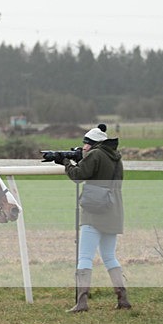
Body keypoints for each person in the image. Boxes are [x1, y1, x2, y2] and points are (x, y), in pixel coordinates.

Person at [57, 123, 131, 312]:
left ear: (93, 144)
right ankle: (123, 299)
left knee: (85, 258)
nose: (84, 147)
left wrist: (66, 162)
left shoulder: (95, 155)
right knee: (109, 257)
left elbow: (77, 175)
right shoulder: (116, 158)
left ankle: (82, 302)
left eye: (86, 144)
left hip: (94, 212)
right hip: (113, 212)